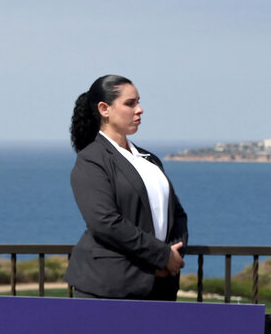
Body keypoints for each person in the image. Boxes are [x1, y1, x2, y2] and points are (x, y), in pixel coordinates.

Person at [65, 74, 188, 301]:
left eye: (138, 102)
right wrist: (161, 256)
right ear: (104, 109)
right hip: (110, 288)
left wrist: (173, 256)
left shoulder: (150, 159)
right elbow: (105, 222)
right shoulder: (91, 159)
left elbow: (177, 214)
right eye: (130, 103)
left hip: (159, 286)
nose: (139, 110)